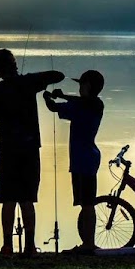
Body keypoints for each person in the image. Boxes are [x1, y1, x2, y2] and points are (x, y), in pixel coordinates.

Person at [0, 48, 64, 256]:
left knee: (7, 199)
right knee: (27, 198)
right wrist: (32, 79)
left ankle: (7, 246)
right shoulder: (29, 83)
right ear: (14, 65)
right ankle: (30, 246)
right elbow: (58, 76)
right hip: (29, 149)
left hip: (7, 149)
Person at [43, 69, 105, 255]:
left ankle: (88, 244)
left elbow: (54, 108)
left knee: (87, 204)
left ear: (88, 86)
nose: (79, 89)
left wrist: (48, 97)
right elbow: (80, 102)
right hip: (83, 160)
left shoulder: (88, 106)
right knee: (85, 203)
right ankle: (87, 242)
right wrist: (63, 96)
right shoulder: (90, 105)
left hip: (84, 160)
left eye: (81, 85)